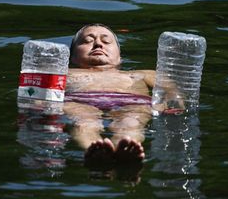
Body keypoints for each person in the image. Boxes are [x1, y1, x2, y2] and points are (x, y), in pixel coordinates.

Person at [63, 23, 179, 167]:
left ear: (119, 57)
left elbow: (170, 89)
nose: (98, 44)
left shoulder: (141, 74)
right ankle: (94, 149)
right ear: (72, 56)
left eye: (106, 41)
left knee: (130, 123)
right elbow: (39, 91)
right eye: (87, 41)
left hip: (133, 102)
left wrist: (168, 105)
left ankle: (126, 148)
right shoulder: (65, 73)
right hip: (79, 101)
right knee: (84, 121)